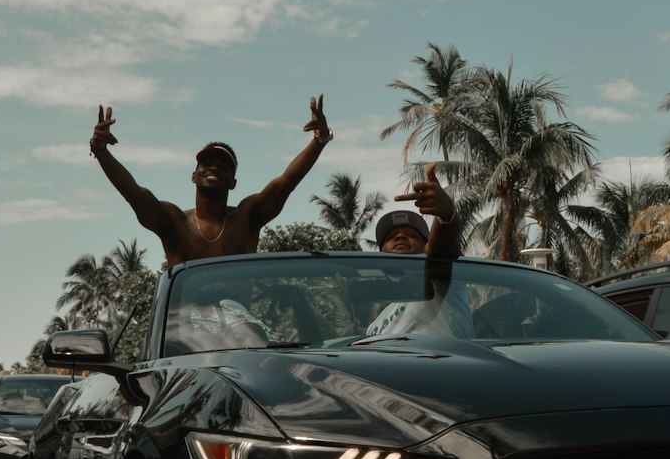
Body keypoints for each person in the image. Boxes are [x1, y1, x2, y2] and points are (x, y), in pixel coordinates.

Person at [89, 96, 334, 265]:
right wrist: (100, 150)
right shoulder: (174, 223)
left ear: (233, 183)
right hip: (184, 332)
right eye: (207, 163)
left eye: (224, 165)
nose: (214, 167)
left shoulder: (248, 217)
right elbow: (133, 193)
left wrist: (318, 141)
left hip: (241, 335)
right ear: (194, 176)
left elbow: (286, 182)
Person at [366, 164, 470, 339]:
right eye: (391, 237)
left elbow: (441, 251)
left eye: (412, 235)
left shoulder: (441, 283)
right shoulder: (373, 328)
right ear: (381, 251)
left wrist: (445, 216)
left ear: (426, 246)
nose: (400, 237)